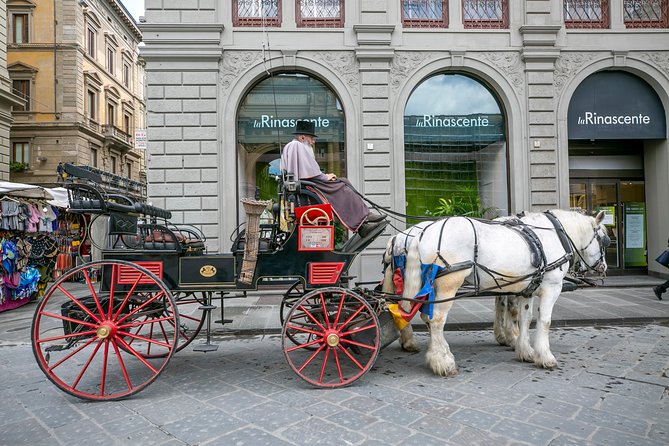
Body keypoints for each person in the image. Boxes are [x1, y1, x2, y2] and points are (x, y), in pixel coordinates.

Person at [280, 120, 386, 237]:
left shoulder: (292, 146)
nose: (313, 142)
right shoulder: (296, 145)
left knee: (344, 182)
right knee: (344, 187)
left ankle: (363, 222)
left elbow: (305, 170)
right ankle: (364, 219)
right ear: (303, 137)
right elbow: (309, 171)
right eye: (311, 138)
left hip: (307, 183)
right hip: (310, 185)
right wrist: (325, 176)